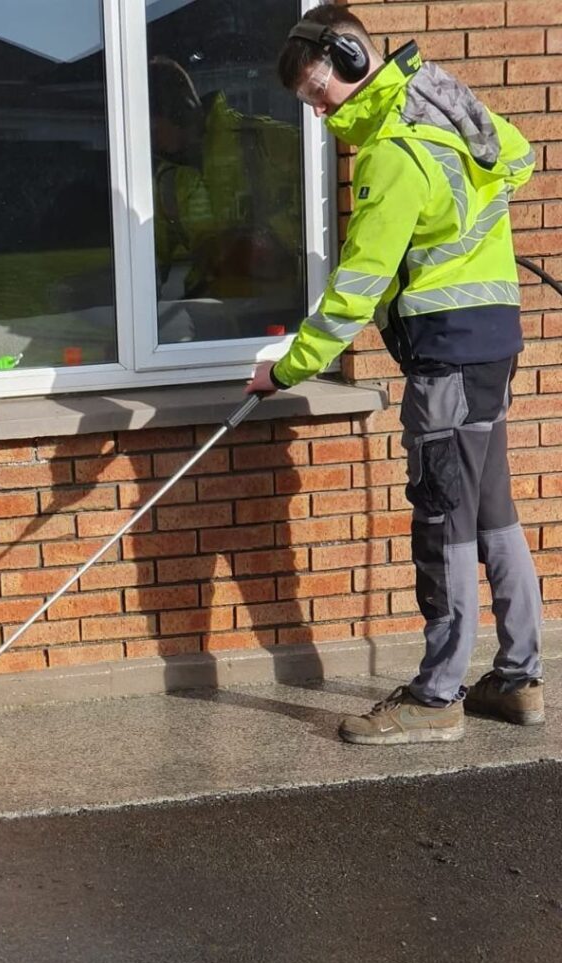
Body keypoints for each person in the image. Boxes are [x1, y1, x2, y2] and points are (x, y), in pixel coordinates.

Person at [246, 3, 543, 745]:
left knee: (443, 523)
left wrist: (286, 370)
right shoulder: (447, 109)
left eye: (319, 94)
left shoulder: (391, 150)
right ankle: (517, 679)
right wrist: (464, 230)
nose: (319, 114)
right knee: (494, 515)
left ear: (351, 61)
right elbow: (518, 157)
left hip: (446, 356)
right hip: (493, 345)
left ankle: (438, 700)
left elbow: (357, 287)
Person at [148, 56, 299, 303]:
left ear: (179, 110)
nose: (150, 140)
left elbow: (321, 199)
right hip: (209, 314)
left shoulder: (262, 140)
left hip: (277, 306)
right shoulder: (168, 179)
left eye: (154, 129)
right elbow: (152, 256)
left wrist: (270, 236)